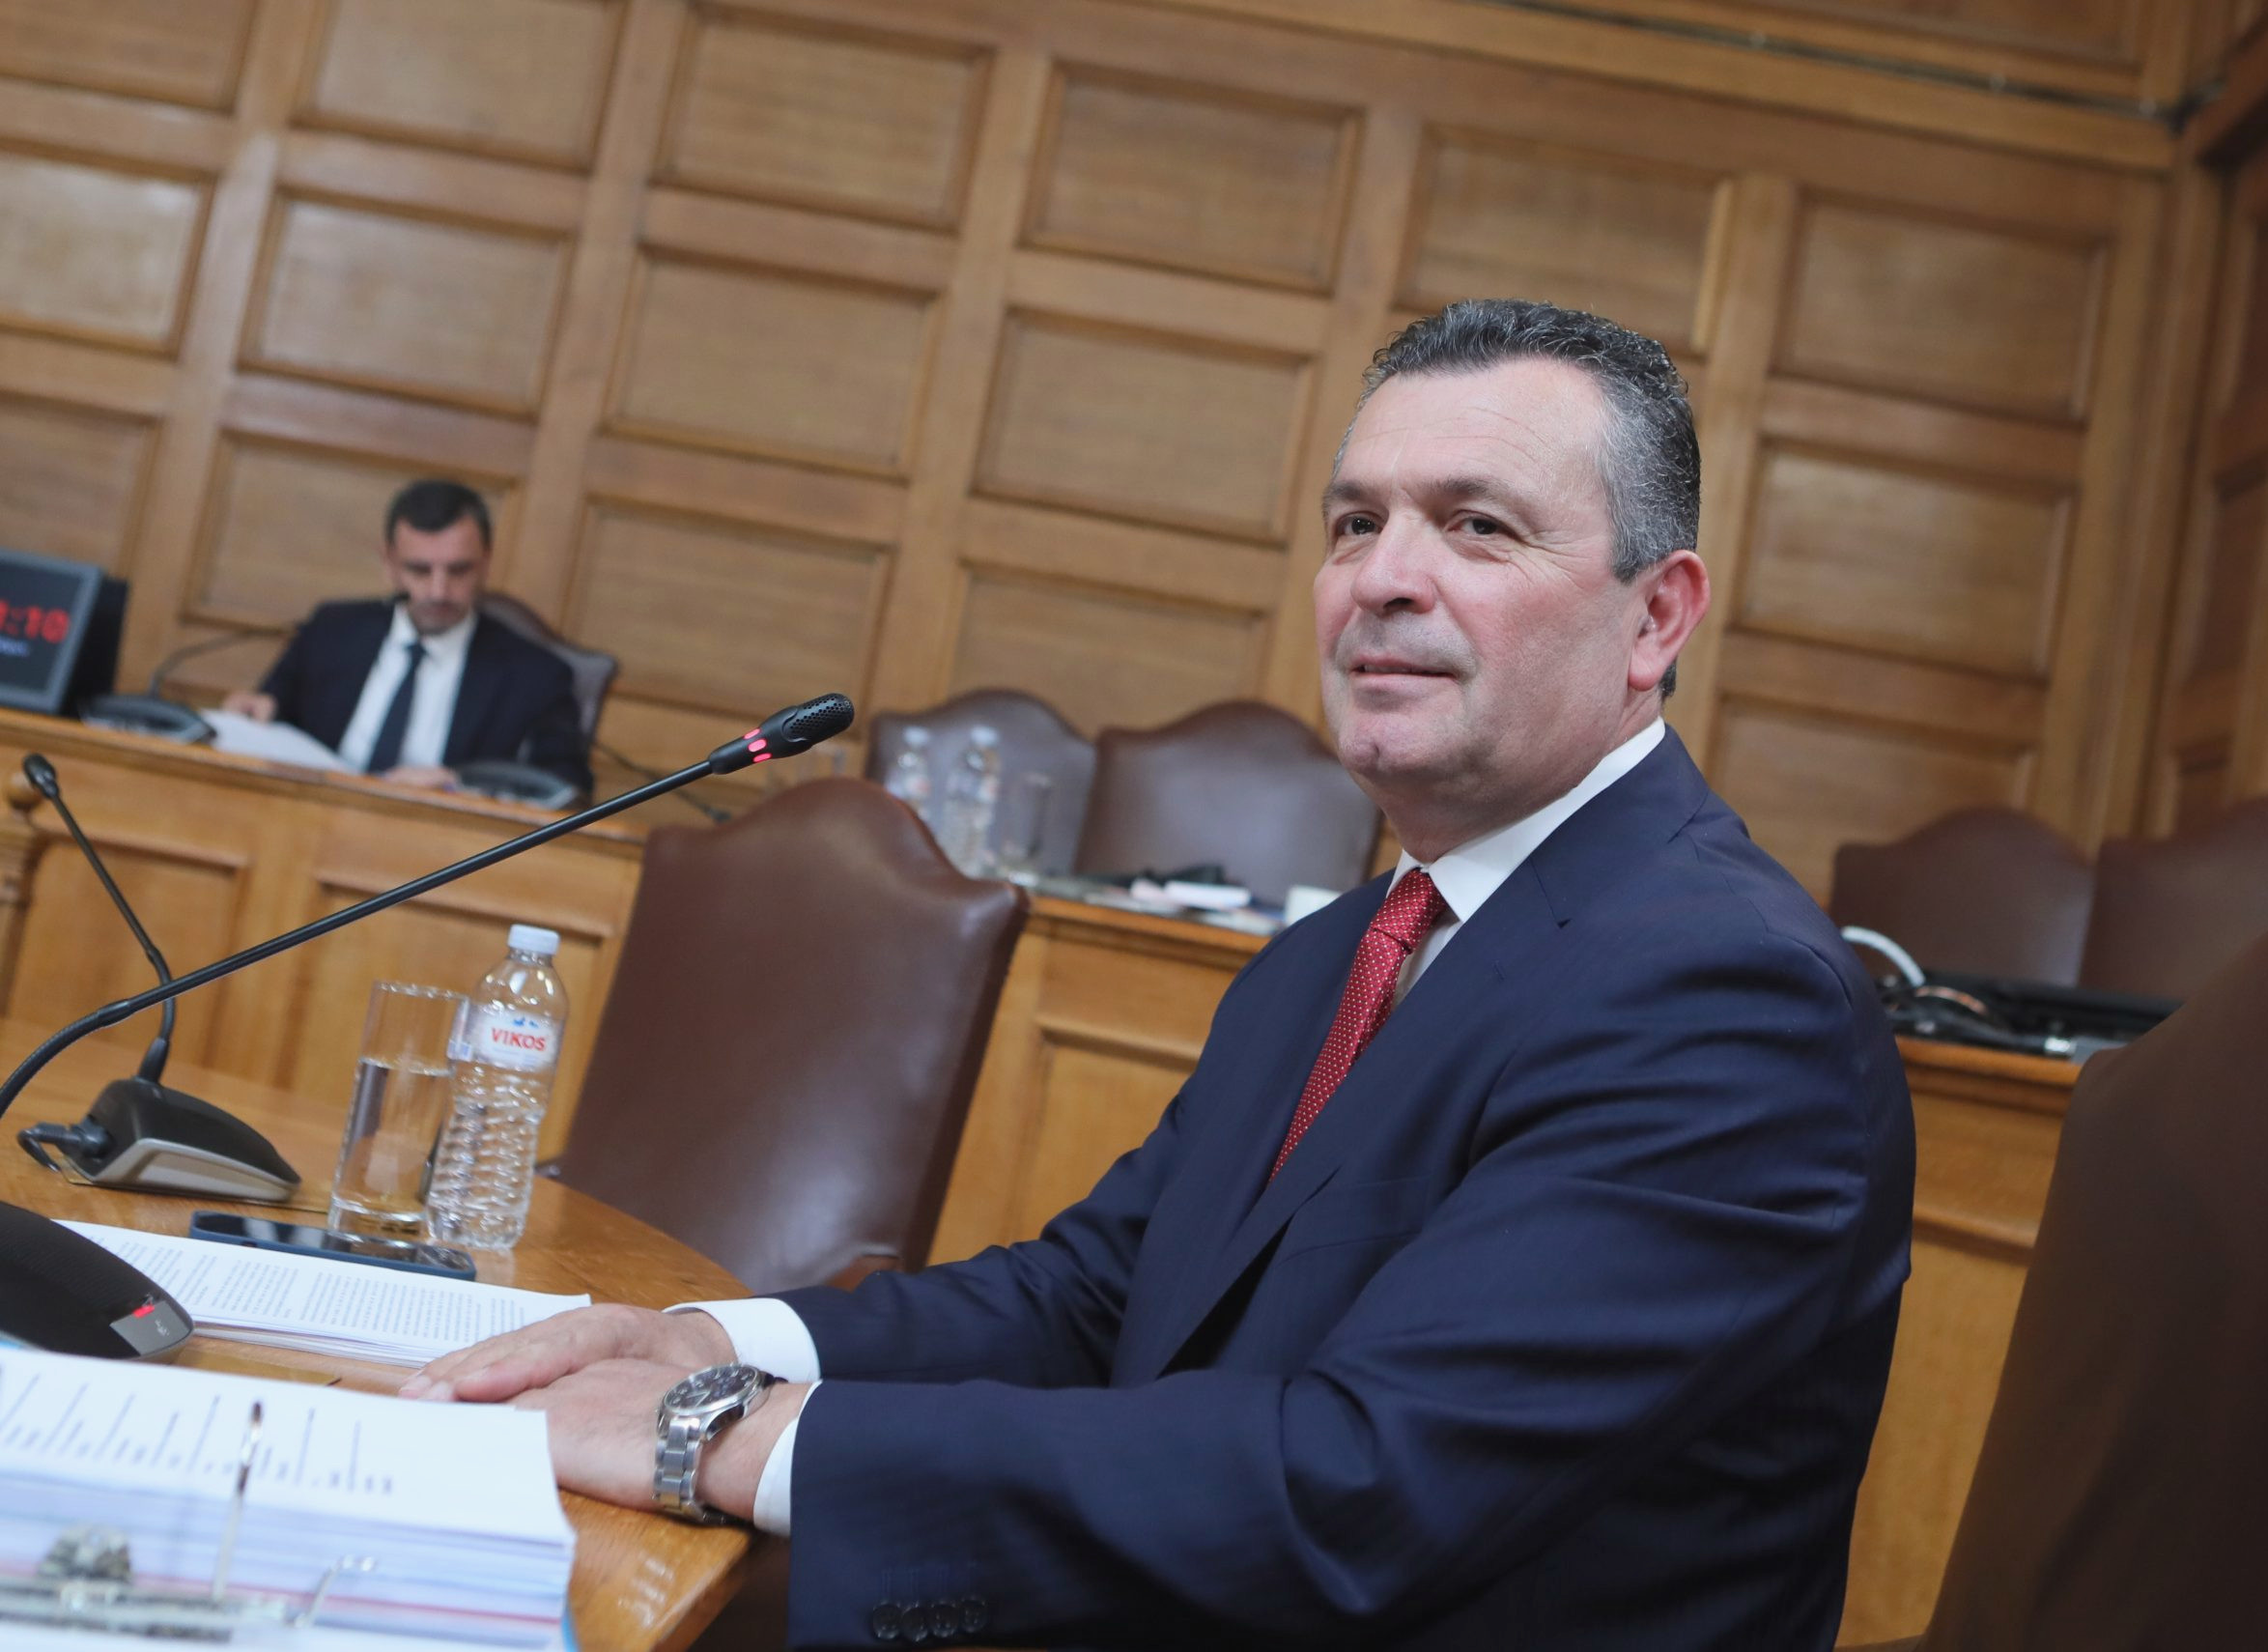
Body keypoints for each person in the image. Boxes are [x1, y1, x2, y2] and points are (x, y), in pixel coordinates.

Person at [405, 300, 1914, 1649]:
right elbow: (1096, 1300)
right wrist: (708, 1341)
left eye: (1477, 526)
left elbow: (1360, 1485)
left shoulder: (1727, 999)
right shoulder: (1344, 948)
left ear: (1656, 617)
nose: (1383, 578)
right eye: (1354, 522)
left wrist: (719, 1435)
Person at [223, 479, 592, 796]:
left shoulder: (534, 675)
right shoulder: (332, 630)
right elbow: (273, 710)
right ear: (389, 563)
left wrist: (459, 784)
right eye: (419, 570)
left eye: (458, 570)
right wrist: (252, 712)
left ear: (485, 562)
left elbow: (567, 787)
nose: (438, 591)